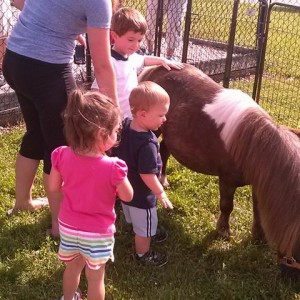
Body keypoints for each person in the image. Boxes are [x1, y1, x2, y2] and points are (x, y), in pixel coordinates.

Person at [2, 0, 119, 237]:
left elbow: (19, 1)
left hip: (15, 60)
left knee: (36, 133)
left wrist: (57, 22)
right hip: (46, 70)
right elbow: (103, 65)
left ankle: (22, 202)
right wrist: (115, 113)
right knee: (61, 147)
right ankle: (60, 226)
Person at [48, 89, 133, 300]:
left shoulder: (61, 155)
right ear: (100, 133)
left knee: (72, 268)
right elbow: (128, 196)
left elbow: (52, 187)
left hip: (68, 226)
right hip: (97, 233)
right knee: (95, 278)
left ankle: (68, 298)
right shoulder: (114, 167)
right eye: (115, 131)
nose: (117, 135)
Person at [113, 81, 173, 267]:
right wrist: (160, 193)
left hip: (125, 190)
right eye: (161, 115)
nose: (164, 119)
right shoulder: (147, 143)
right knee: (145, 229)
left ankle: (141, 227)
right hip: (142, 196)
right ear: (143, 114)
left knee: (134, 218)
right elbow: (147, 175)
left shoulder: (125, 126)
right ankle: (143, 254)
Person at [91, 7, 183, 120]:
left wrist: (162, 60)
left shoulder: (131, 57)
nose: (136, 45)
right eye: (131, 40)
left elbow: (144, 59)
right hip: (114, 118)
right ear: (114, 36)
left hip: (130, 117)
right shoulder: (110, 63)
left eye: (139, 40)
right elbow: (96, 90)